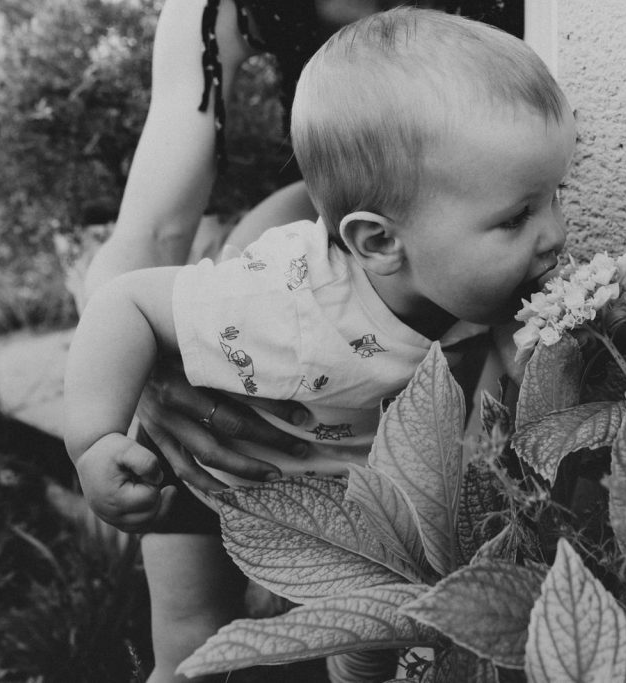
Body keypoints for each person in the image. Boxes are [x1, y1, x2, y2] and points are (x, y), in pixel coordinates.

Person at [65, 8, 574, 681]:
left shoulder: (485, 286)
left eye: (555, 196)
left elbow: (499, 413)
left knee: (366, 648)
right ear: (381, 241)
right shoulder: (279, 300)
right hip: (213, 461)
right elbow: (123, 300)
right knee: (190, 640)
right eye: (518, 216)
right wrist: (93, 440)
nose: (556, 233)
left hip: (340, 486)